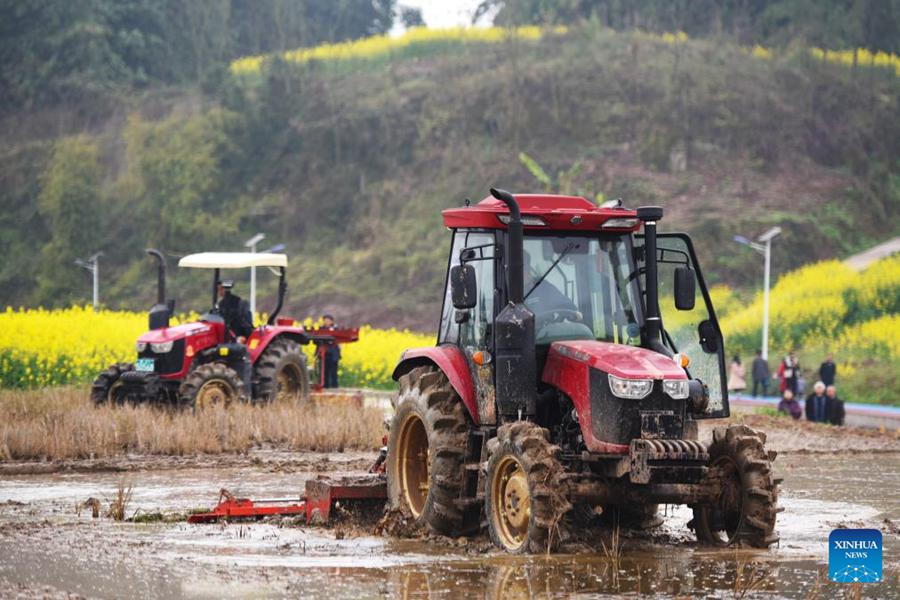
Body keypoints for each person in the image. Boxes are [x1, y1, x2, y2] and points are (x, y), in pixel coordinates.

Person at [320, 314, 341, 389]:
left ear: (332, 321)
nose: (326, 322)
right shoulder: (321, 328)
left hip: (334, 352)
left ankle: (334, 386)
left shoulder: (336, 328)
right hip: (325, 351)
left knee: (333, 370)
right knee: (325, 369)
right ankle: (325, 385)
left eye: (328, 320)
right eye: (325, 320)